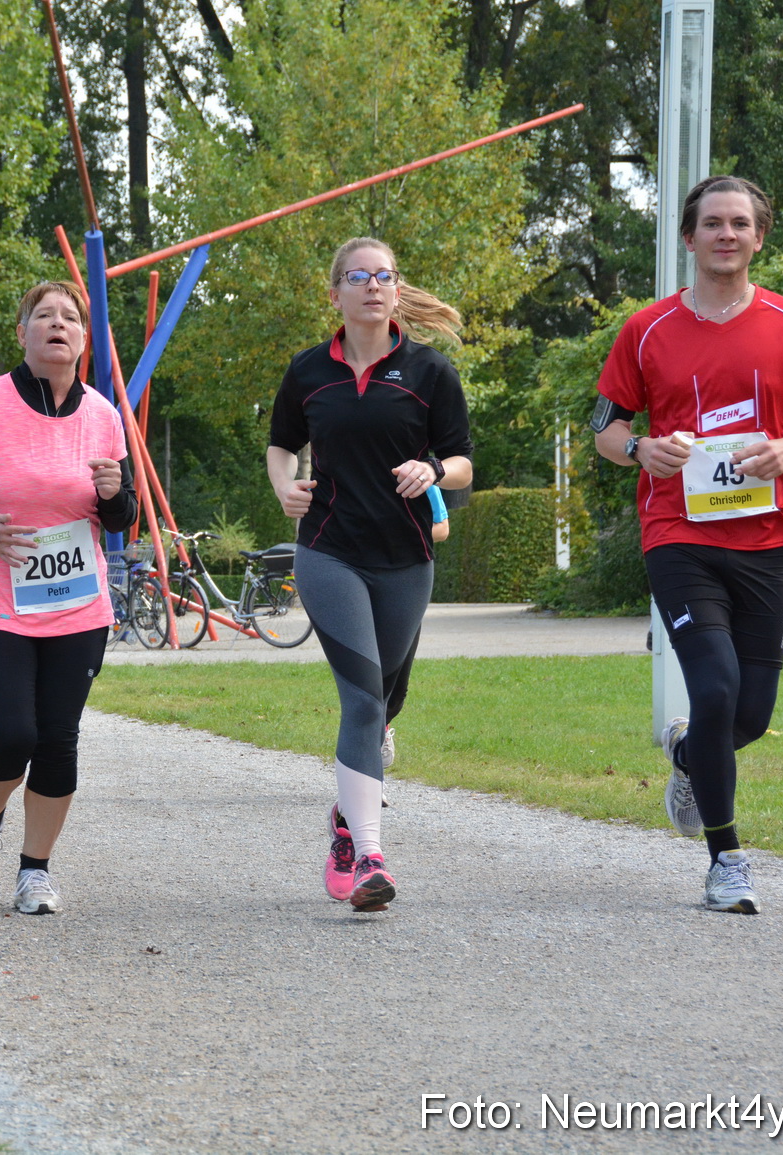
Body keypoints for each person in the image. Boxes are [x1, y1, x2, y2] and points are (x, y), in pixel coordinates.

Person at [593, 175, 783, 915]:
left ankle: (686, 755)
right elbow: (606, 428)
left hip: (770, 537)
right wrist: (642, 448)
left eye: (740, 223)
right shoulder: (646, 329)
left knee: (749, 714)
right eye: (712, 223)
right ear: (689, 238)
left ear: (759, 236)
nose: (726, 234)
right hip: (678, 535)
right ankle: (726, 857)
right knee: (713, 687)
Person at [265, 238, 473, 915]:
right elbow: (280, 446)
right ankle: (372, 858)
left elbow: (464, 464)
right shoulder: (307, 373)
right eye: (359, 276)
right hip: (328, 551)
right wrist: (285, 487)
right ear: (335, 293)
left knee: (388, 699)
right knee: (362, 700)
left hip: (406, 557)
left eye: (384, 276)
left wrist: (434, 471)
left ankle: (345, 826)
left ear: (395, 289)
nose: (373, 287)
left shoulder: (429, 371)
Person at [0, 281, 137, 914]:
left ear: (84, 338)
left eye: (70, 317)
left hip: (77, 600)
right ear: (22, 334)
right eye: (43, 316)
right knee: (13, 731)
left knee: (58, 738)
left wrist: (111, 492)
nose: (57, 325)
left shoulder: (102, 414)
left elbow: (121, 516)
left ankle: (35, 872)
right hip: (1, 597)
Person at [380, 483, 451, 772]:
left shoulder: (424, 479)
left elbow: (442, 528)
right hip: (358, 584)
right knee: (366, 686)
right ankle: (367, 773)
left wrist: (400, 535)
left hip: (406, 589)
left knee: (396, 692)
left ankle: (382, 728)